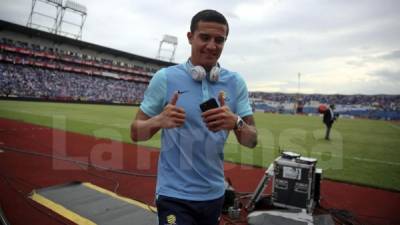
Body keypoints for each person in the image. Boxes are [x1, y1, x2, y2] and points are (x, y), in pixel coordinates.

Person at [130, 9, 258, 225]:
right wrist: (158, 121)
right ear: (190, 37)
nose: (211, 45)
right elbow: (136, 132)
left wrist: (236, 122)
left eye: (219, 40)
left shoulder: (236, 83)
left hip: (214, 194)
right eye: (205, 37)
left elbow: (252, 140)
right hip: (174, 195)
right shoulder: (165, 78)